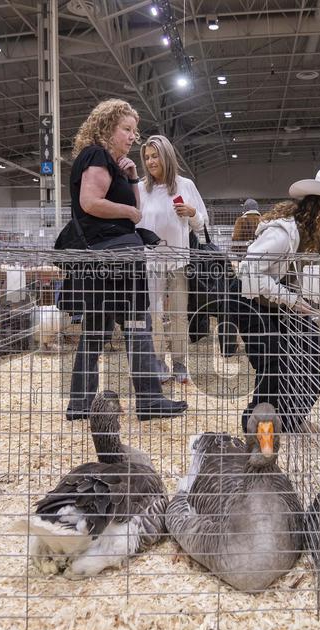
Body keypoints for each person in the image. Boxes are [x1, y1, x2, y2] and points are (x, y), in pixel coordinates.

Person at [63, 99, 188, 421]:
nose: (133, 136)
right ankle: (149, 400)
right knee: (137, 325)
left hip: (104, 258)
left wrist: (131, 178)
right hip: (116, 257)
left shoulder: (109, 162)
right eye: (126, 129)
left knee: (96, 331)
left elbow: (133, 210)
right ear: (107, 127)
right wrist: (129, 212)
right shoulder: (96, 155)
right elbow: (91, 202)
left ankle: (79, 404)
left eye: (134, 130)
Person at [237, 165, 320, 434]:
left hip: (286, 308)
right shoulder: (282, 233)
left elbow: (307, 278)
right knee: (274, 361)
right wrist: (290, 298)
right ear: (319, 204)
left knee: (318, 348)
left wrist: (314, 304)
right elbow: (247, 271)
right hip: (254, 305)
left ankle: (292, 419)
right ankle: (256, 425)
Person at [137, 134, 206, 384]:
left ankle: (179, 363)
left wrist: (192, 212)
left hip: (178, 261)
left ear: (166, 156)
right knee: (153, 311)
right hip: (151, 262)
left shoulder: (185, 185)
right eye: (147, 157)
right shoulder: (141, 189)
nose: (151, 161)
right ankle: (158, 362)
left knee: (178, 312)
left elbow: (202, 223)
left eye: (155, 156)